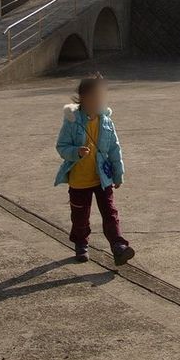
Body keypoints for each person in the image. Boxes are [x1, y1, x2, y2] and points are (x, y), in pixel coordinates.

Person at [54, 74, 134, 266]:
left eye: (101, 97)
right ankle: (81, 244)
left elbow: (115, 148)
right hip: (79, 180)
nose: (98, 101)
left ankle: (118, 246)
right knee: (80, 216)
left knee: (110, 212)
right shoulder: (72, 121)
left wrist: (118, 173)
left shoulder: (106, 121)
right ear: (83, 98)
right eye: (93, 97)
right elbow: (61, 146)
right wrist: (76, 152)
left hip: (102, 178)